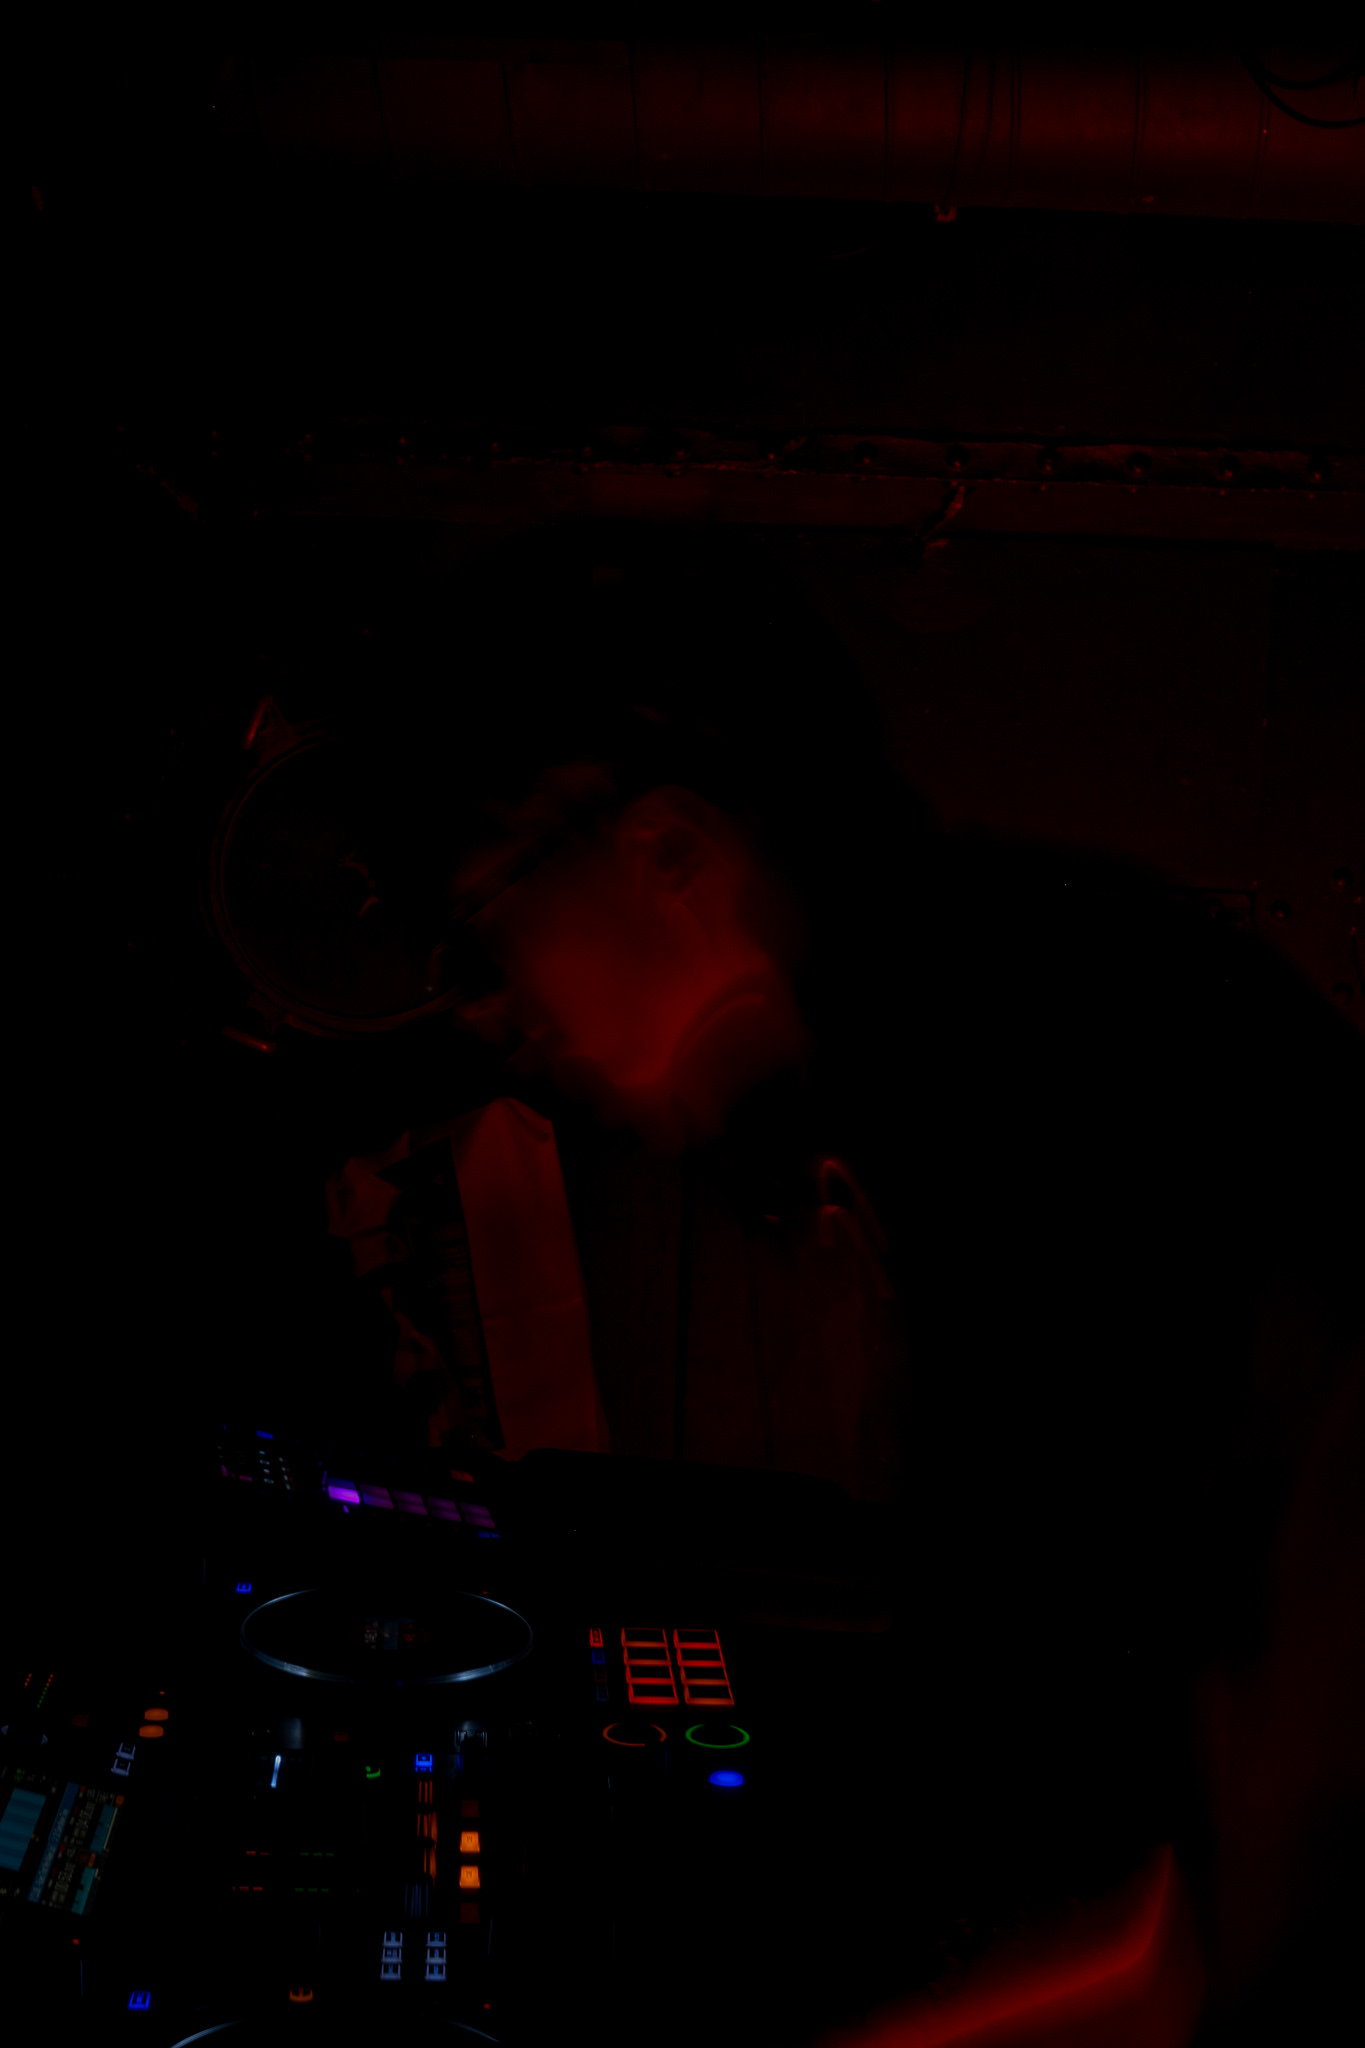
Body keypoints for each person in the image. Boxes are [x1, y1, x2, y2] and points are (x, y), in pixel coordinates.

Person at [344, 519, 1363, 2041]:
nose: (491, 1015)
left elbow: (1222, 1894)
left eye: (489, 930)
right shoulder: (970, 1019)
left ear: (670, 855)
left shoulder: (1036, 1082)